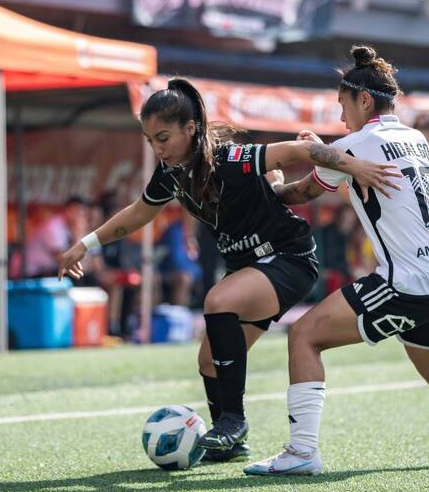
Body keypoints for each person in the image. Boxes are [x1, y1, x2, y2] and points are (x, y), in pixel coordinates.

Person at [57, 78, 400, 462]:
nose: (157, 148)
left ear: (191, 128)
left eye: (163, 137)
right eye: (150, 139)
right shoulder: (170, 173)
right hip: (251, 270)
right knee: (208, 361)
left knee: (218, 300)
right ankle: (232, 443)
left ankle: (233, 421)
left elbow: (300, 149)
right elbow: (138, 213)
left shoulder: (229, 159)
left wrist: (357, 167)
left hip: (288, 258)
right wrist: (85, 244)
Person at [244, 45, 429, 476]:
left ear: (364, 100)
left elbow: (299, 195)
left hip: (407, 282)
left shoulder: (357, 142)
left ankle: (302, 453)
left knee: (303, 336)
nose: (341, 118)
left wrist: (273, 181)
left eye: (342, 106)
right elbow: (354, 165)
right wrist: (331, 153)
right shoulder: (415, 139)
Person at [25, 196, 89, 278]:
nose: (79, 217)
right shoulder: (53, 227)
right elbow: (65, 260)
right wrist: (78, 236)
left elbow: (86, 264)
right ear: (67, 210)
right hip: (33, 274)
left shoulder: (70, 228)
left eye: (82, 214)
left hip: (48, 272)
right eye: (77, 212)